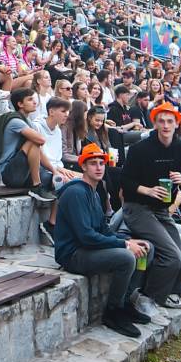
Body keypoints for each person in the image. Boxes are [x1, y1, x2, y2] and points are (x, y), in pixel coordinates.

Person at [54, 143, 152, 339]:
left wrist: (130, 240)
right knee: (126, 258)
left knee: (146, 248)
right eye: (93, 163)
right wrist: (125, 245)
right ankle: (113, 312)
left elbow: (104, 230)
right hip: (73, 254)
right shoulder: (76, 193)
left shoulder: (94, 192)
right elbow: (86, 236)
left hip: (88, 249)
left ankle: (125, 302)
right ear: (83, 166)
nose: (99, 167)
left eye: (102, 163)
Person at [117, 102, 181, 307]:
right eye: (161, 121)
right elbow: (124, 181)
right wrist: (148, 190)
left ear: (177, 124)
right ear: (154, 123)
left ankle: (168, 294)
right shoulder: (139, 148)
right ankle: (147, 300)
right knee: (172, 256)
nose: (165, 125)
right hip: (137, 208)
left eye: (170, 121)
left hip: (162, 210)